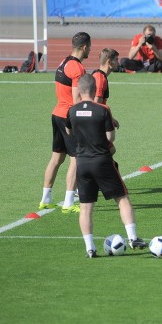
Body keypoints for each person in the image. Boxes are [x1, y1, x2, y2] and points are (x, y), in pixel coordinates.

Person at [65, 75, 147, 257]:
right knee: (122, 198)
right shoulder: (102, 109)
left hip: (82, 163)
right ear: (95, 90)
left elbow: (69, 131)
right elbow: (110, 137)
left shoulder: (72, 110)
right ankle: (133, 238)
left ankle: (90, 249)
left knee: (86, 207)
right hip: (102, 161)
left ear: (79, 90)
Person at [38, 32, 90, 214]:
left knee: (57, 158)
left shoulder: (63, 62)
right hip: (69, 117)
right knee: (76, 159)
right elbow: (76, 98)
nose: (89, 50)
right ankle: (69, 201)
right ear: (84, 47)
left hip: (57, 113)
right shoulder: (77, 68)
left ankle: (46, 198)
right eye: (89, 47)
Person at [92, 48, 120, 128]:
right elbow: (96, 105)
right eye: (116, 60)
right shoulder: (101, 79)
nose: (118, 63)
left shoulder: (97, 75)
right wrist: (110, 119)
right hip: (95, 122)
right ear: (109, 62)